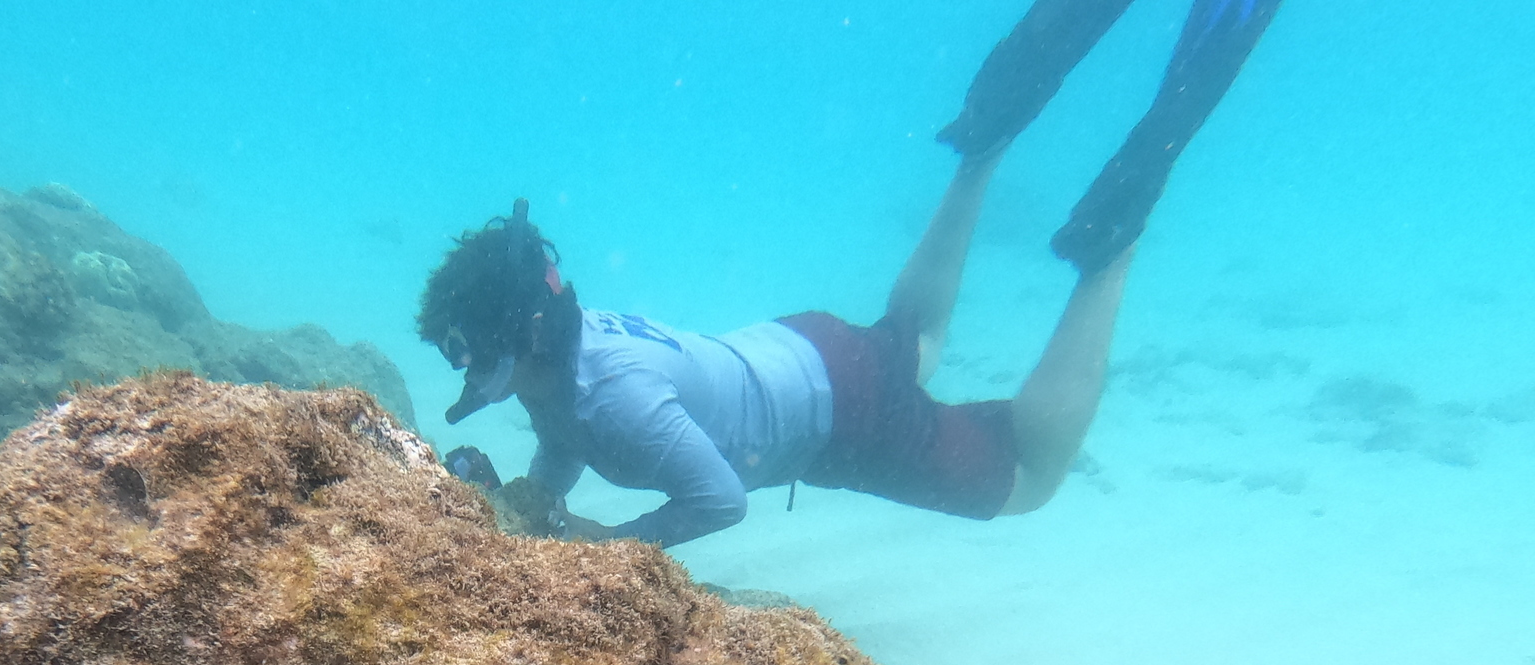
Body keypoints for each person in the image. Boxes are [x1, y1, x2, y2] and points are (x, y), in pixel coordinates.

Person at [417, 0, 1284, 545]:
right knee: (916, 340)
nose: (465, 375)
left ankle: (1113, 246)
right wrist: (537, 499)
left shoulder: (615, 398)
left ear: (513, 340)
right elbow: (563, 429)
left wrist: (607, 545)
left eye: (467, 358)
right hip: (807, 346)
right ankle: (985, 147)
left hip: (842, 417)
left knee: (1029, 478)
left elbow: (720, 502)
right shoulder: (562, 353)